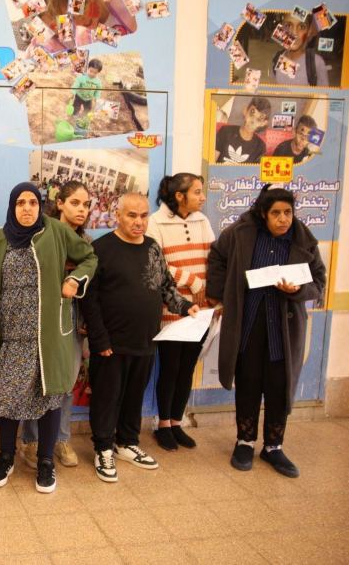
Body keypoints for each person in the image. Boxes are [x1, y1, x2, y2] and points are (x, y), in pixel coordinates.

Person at [0, 183, 96, 493]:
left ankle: (46, 461)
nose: (27, 208)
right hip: (12, 337)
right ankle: (6, 456)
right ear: (12, 207)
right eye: (21, 203)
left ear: (41, 206)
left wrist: (74, 279)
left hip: (47, 336)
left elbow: (89, 257)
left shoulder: (56, 231)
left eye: (33, 202)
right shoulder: (0, 243)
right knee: (7, 398)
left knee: (50, 396)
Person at [206, 185, 326, 478]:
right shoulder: (241, 233)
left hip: (283, 329)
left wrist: (298, 291)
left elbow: (319, 282)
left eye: (288, 212)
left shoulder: (303, 240)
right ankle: (245, 442)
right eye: (276, 213)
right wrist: (220, 294)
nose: (283, 219)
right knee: (248, 383)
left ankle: (273, 447)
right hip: (249, 324)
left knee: (278, 387)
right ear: (263, 214)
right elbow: (217, 256)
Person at [80, 193, 198, 483]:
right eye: (132, 215)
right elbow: (89, 301)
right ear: (117, 215)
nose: (139, 222)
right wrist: (99, 340)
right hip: (110, 344)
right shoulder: (101, 249)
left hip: (145, 340)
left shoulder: (152, 248)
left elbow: (166, 287)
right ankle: (103, 448)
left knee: (134, 396)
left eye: (144, 216)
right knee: (107, 398)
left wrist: (186, 306)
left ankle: (127, 442)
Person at [20, 181, 93, 470]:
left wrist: (86, 319)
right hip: (42, 316)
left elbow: (91, 283)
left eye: (86, 205)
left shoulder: (86, 243)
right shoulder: (40, 234)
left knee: (66, 381)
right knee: (37, 379)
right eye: (75, 202)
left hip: (73, 318)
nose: (82, 209)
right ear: (59, 203)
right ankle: (31, 440)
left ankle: (61, 439)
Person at [146, 174, 215, 451]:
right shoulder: (155, 222)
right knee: (170, 367)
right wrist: (192, 281)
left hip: (201, 309)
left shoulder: (202, 221)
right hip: (171, 307)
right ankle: (163, 424)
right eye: (197, 192)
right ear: (179, 196)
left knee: (187, 368)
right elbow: (157, 264)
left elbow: (214, 259)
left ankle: (177, 422)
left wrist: (212, 293)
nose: (202, 197)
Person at [271, 13, 329, 87]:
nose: (294, 33)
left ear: (309, 31)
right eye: (288, 25)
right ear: (281, 29)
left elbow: (324, 93)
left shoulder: (317, 62)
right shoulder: (277, 57)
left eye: (301, 27)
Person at [214, 97, 271, 164]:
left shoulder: (260, 147)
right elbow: (211, 162)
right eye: (251, 114)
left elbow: (255, 170)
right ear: (245, 111)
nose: (253, 121)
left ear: (263, 123)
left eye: (259, 119)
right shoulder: (225, 131)